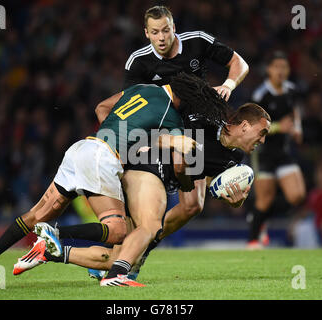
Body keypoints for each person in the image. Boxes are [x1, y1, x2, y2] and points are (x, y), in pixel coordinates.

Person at [0, 73, 224, 283]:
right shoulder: (173, 116)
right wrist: (187, 183)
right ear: (187, 97)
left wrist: (118, 139)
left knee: (34, 215)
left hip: (83, 147)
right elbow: (179, 166)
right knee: (118, 231)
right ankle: (54, 235)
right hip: (102, 158)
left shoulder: (142, 88)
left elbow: (101, 107)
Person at [14, 101, 271, 286]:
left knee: (118, 255)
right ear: (245, 125)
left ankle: (52, 250)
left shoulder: (234, 159)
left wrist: (233, 202)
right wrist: (184, 179)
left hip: (157, 179)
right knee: (145, 231)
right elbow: (177, 156)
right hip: (142, 166)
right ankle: (117, 266)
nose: (262, 141)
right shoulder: (201, 119)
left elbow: (203, 179)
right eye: (262, 133)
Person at [122, 4, 250, 259]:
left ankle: (143, 246)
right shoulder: (138, 63)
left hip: (200, 126)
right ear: (146, 33)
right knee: (142, 207)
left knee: (193, 206)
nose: (161, 38)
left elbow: (239, 62)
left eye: (166, 31)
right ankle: (125, 251)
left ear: (174, 28)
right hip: (162, 133)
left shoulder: (197, 42)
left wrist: (228, 84)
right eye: (155, 32)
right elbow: (130, 106)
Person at [246, 50, 306, 249]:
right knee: (264, 198)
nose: (281, 71)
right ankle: (254, 239)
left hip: (283, 152)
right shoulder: (260, 95)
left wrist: (297, 128)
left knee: (297, 195)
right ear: (269, 70)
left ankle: (261, 218)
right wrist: (281, 127)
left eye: (284, 67)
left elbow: (294, 111)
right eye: (277, 67)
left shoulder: (291, 90)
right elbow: (253, 127)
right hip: (263, 153)